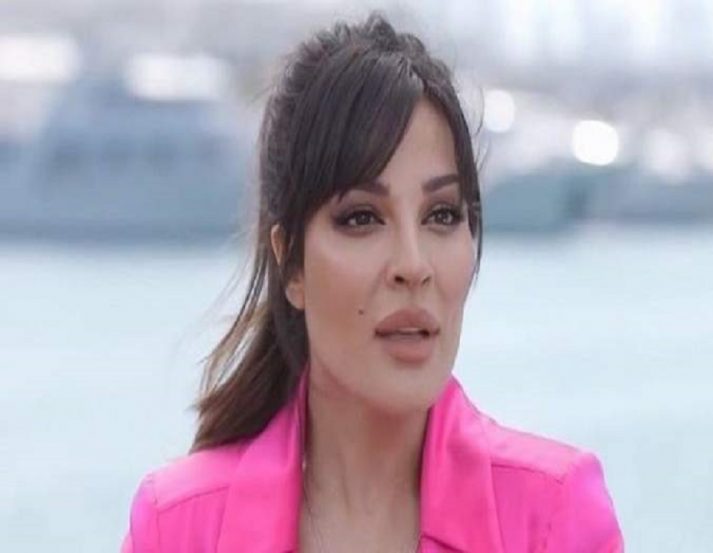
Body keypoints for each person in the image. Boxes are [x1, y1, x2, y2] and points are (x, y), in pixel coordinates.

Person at [121, 12, 623, 553]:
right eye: (362, 218)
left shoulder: (551, 517)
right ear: (291, 266)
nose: (413, 264)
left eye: (441, 215)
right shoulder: (177, 528)